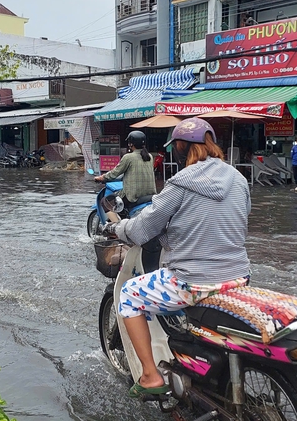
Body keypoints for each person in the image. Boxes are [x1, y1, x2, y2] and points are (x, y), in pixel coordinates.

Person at [103, 117, 251, 398]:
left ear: (181, 148)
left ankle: (149, 376)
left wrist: (117, 227)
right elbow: (240, 219)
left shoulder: (181, 182)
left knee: (129, 295)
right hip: (239, 277)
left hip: (195, 281)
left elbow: (143, 227)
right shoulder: (238, 179)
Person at [94, 130, 156, 209]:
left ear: (131, 144)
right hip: (150, 194)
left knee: (105, 202)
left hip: (133, 196)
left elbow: (115, 173)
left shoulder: (128, 157)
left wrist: (102, 177)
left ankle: (116, 221)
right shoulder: (149, 156)